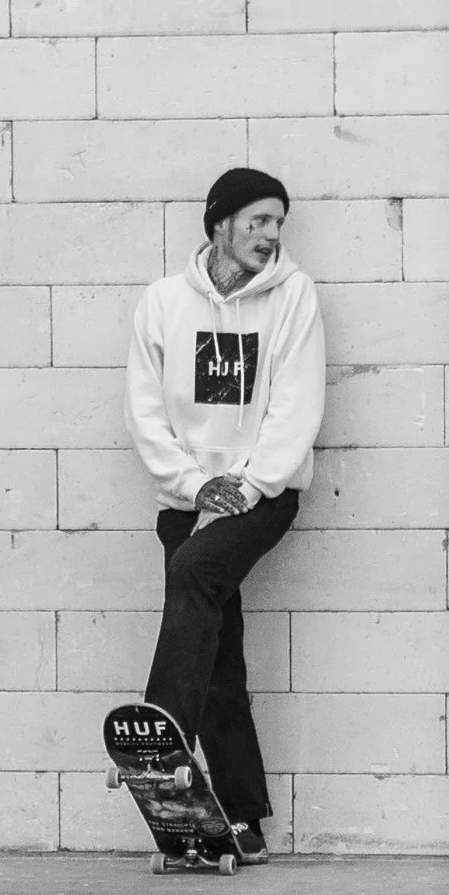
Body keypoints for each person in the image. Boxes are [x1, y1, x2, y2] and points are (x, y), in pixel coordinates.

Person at [121, 166, 325, 860]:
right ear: (220, 223)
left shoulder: (294, 297)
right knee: (216, 655)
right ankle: (242, 819)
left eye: (278, 224)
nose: (271, 235)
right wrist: (193, 485)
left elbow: (295, 407)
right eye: (258, 221)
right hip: (185, 497)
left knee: (195, 576)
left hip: (262, 495)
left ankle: (160, 741)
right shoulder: (163, 302)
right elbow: (145, 412)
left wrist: (244, 487)